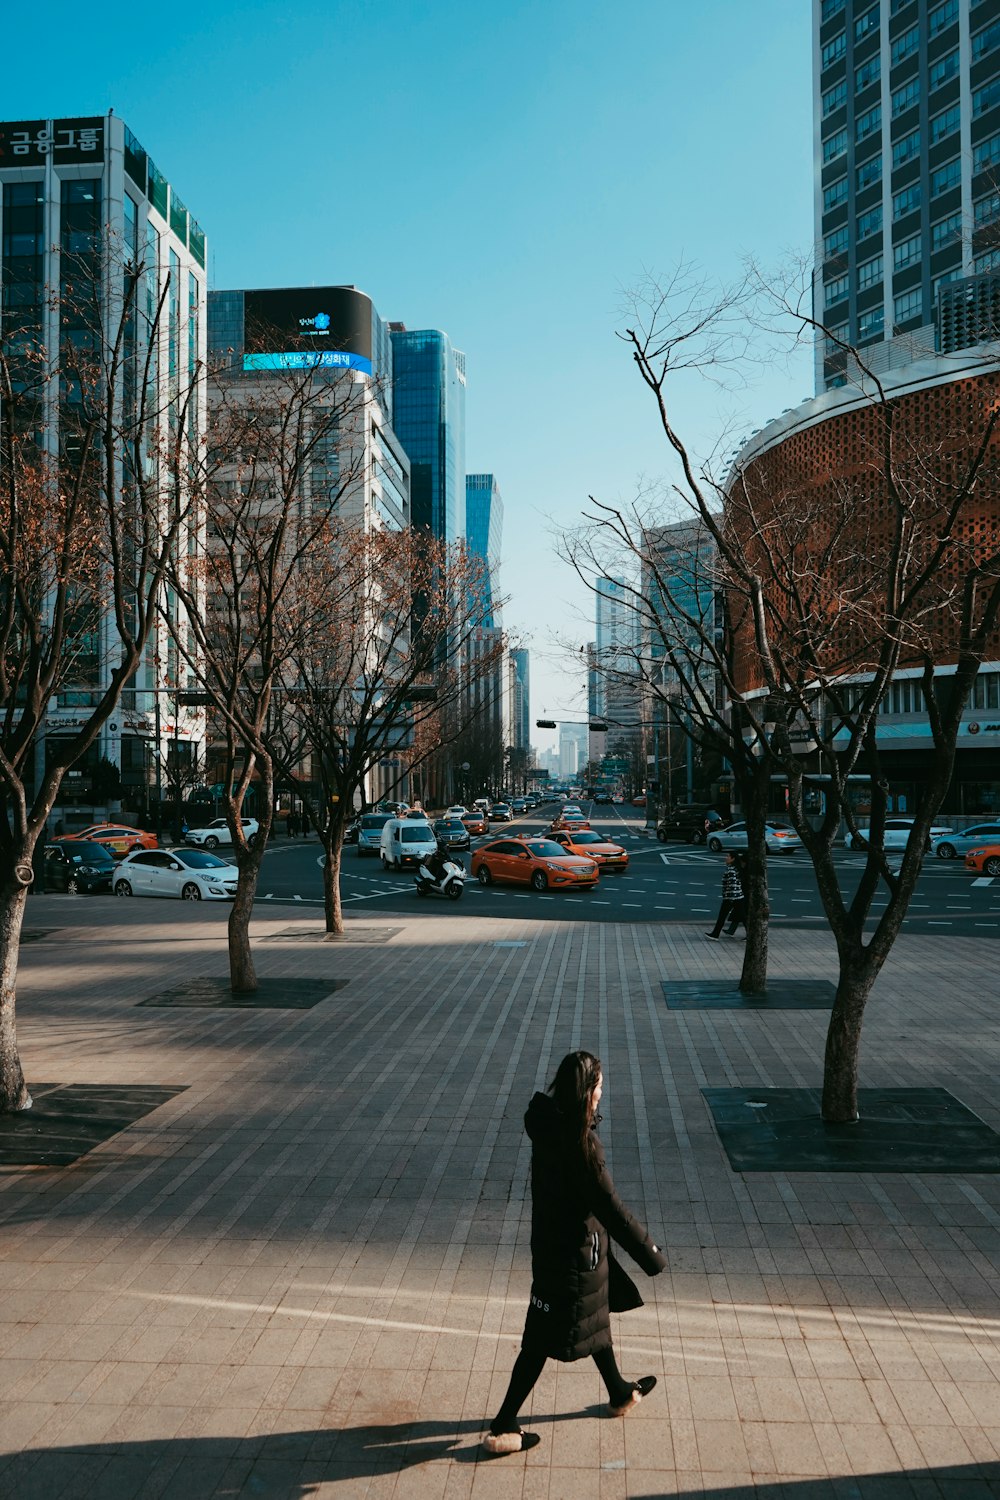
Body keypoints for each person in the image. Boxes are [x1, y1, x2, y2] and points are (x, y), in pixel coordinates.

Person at [483, 1051, 666, 1457]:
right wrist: (650, 1253)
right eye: (599, 1086)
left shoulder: (550, 1127)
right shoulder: (581, 1145)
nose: (603, 1092)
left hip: (563, 1247)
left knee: (594, 1317)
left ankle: (619, 1392)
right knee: (539, 1341)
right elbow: (612, 1209)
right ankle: (503, 1426)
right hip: (572, 1257)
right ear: (587, 1092)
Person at [706, 851, 745, 940]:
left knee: (722, 916)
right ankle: (715, 934)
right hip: (737, 897)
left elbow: (732, 885)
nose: (726, 858)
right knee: (742, 917)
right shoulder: (735, 868)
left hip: (731, 898)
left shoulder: (731, 870)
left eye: (728, 856)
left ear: (732, 859)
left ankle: (715, 934)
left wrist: (730, 898)